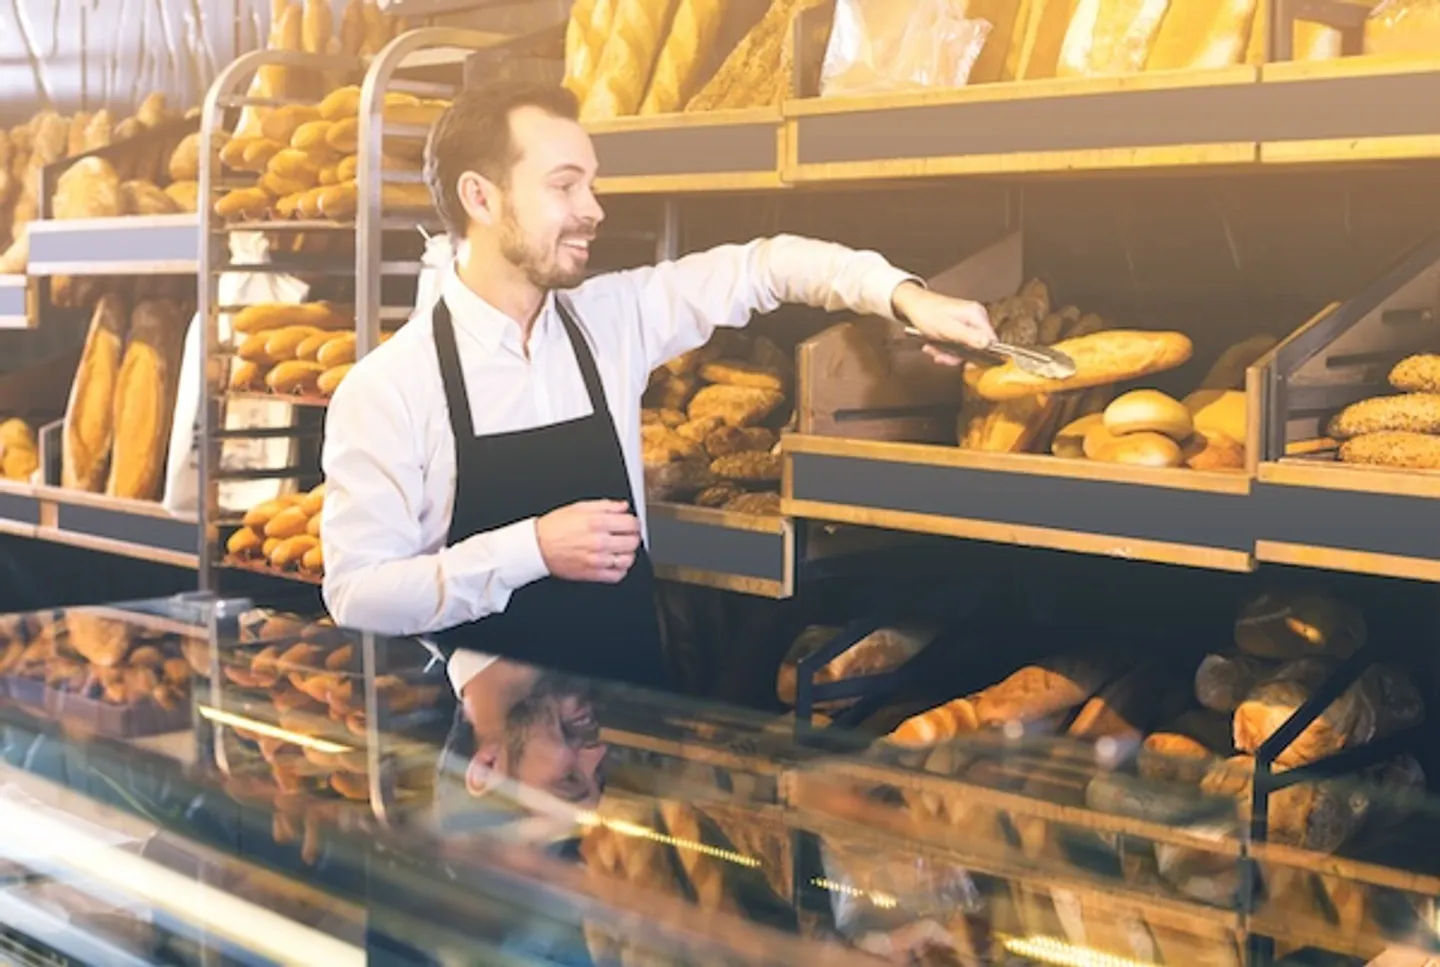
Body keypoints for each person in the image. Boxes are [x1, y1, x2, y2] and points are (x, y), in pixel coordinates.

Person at [319, 80, 996, 693]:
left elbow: (764, 268)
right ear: (480, 198)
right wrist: (530, 548)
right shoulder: (392, 387)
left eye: (591, 184)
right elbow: (358, 591)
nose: (593, 209)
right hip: (491, 775)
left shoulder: (610, 321)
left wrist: (908, 299)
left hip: (633, 734)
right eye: (565, 186)